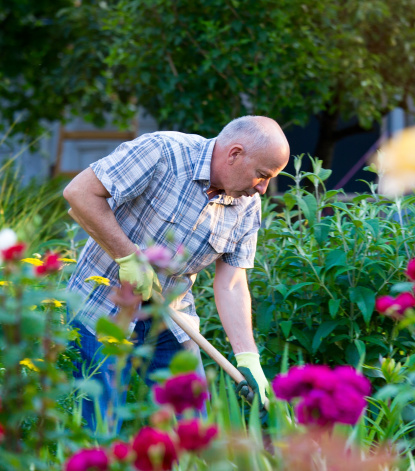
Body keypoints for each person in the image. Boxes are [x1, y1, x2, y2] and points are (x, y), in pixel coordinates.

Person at [63, 115, 290, 431]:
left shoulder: (246, 205)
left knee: (193, 429)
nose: (264, 189)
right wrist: (128, 256)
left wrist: (248, 357)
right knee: (98, 427)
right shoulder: (162, 151)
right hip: (101, 307)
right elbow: (79, 194)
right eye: (262, 175)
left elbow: (233, 282)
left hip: (171, 316)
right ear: (235, 154)